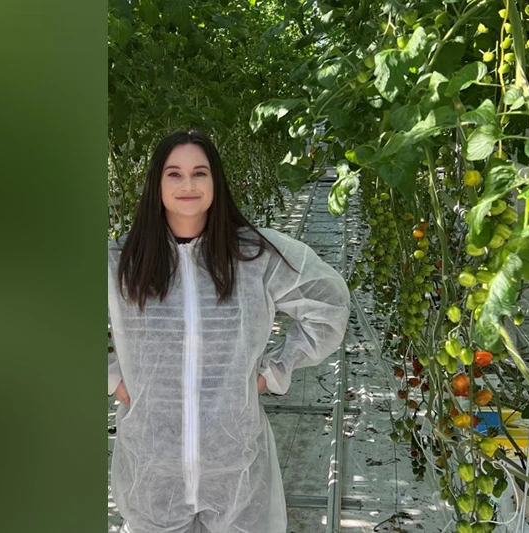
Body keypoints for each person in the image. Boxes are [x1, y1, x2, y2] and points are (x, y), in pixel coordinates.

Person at [107, 129, 351, 533]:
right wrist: (114, 377)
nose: (188, 184)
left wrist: (271, 373)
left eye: (200, 173)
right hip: (152, 468)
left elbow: (327, 303)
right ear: (157, 184)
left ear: (216, 183)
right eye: (174, 174)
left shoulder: (254, 255)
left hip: (234, 465)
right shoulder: (122, 259)